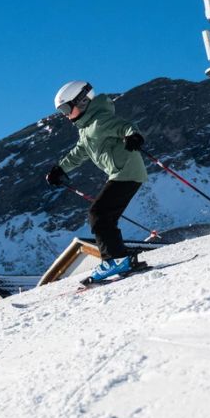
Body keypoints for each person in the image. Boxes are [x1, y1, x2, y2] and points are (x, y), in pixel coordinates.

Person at [45, 81, 147, 281]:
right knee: (103, 215)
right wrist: (60, 169)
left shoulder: (100, 121)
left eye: (66, 108)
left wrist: (134, 136)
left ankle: (115, 260)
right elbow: (79, 152)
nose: (65, 114)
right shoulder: (87, 128)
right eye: (61, 111)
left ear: (82, 101)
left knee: (98, 214)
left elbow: (125, 126)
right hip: (123, 174)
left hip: (126, 173)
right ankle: (121, 258)